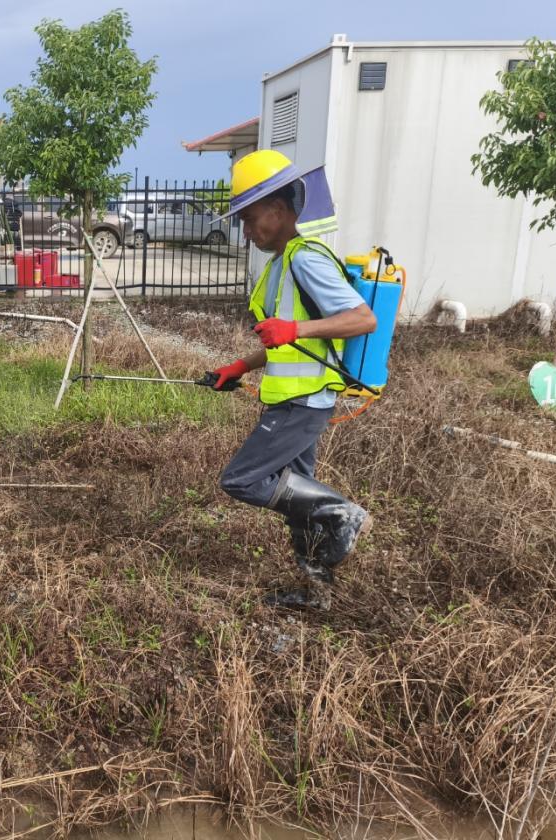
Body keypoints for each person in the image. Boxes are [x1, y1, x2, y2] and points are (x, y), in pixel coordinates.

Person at [210, 150, 377, 610]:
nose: (246, 231)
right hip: (293, 398)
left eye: (249, 219)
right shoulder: (281, 264)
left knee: (242, 479)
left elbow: (362, 319)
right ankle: (316, 591)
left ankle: (344, 514)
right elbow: (285, 341)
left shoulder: (306, 260)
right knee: (297, 498)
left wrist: (296, 329)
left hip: (304, 402)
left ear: (279, 209)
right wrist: (240, 366)